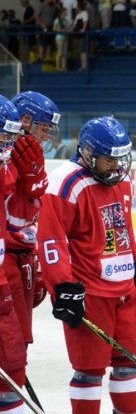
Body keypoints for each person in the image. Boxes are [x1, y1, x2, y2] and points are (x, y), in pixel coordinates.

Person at [37, 116, 136, 414]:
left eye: (121, 158)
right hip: (88, 292)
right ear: (88, 153)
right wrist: (63, 287)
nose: (118, 165)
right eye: (110, 158)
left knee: (129, 363)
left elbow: (122, 229)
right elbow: (51, 241)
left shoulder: (120, 180)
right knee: (91, 370)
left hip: (123, 291)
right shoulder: (65, 184)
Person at [0, 96, 49, 414]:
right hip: (10, 267)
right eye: (44, 126)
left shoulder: (13, 158)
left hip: (16, 266)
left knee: (14, 356)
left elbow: (28, 218)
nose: (46, 134)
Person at [4, 92, 60, 365]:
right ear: (24, 120)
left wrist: (37, 263)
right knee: (11, 342)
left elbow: (33, 212)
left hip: (23, 255)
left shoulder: (32, 153)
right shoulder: (8, 157)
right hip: (7, 259)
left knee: (20, 340)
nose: (46, 135)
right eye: (43, 127)